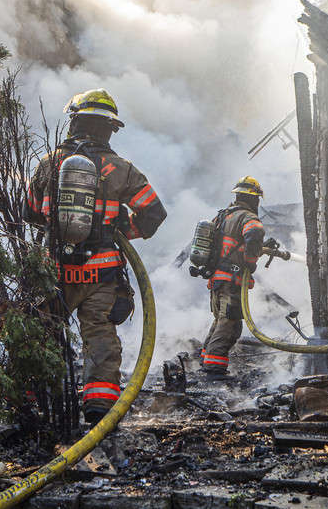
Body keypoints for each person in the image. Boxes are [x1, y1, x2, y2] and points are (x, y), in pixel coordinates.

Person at [26, 89, 166, 424]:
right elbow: (153, 214)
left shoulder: (49, 163)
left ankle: (33, 404)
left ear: (73, 122)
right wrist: (117, 232)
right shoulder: (122, 170)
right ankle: (100, 410)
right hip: (100, 276)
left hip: (53, 273)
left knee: (41, 334)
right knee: (100, 338)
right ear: (109, 128)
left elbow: (29, 213)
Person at [200, 176, 267, 376]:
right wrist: (250, 259)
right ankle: (213, 369)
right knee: (230, 325)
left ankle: (205, 357)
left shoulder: (222, 216)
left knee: (221, 321)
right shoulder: (247, 217)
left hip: (216, 280)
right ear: (254, 198)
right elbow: (254, 234)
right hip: (231, 280)